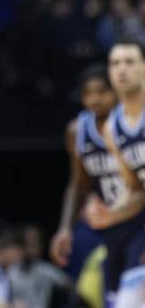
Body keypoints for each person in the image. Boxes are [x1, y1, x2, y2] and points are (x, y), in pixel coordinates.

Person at [84, 40, 145, 306]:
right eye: (115, 63)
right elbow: (135, 190)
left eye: (130, 62)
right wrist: (109, 214)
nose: (122, 69)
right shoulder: (113, 128)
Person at [49, 64, 120, 292]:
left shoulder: (132, 123)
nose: (95, 99)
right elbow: (77, 184)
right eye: (88, 93)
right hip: (101, 217)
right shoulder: (77, 129)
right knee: (87, 287)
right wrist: (64, 228)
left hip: (134, 215)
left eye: (102, 91)